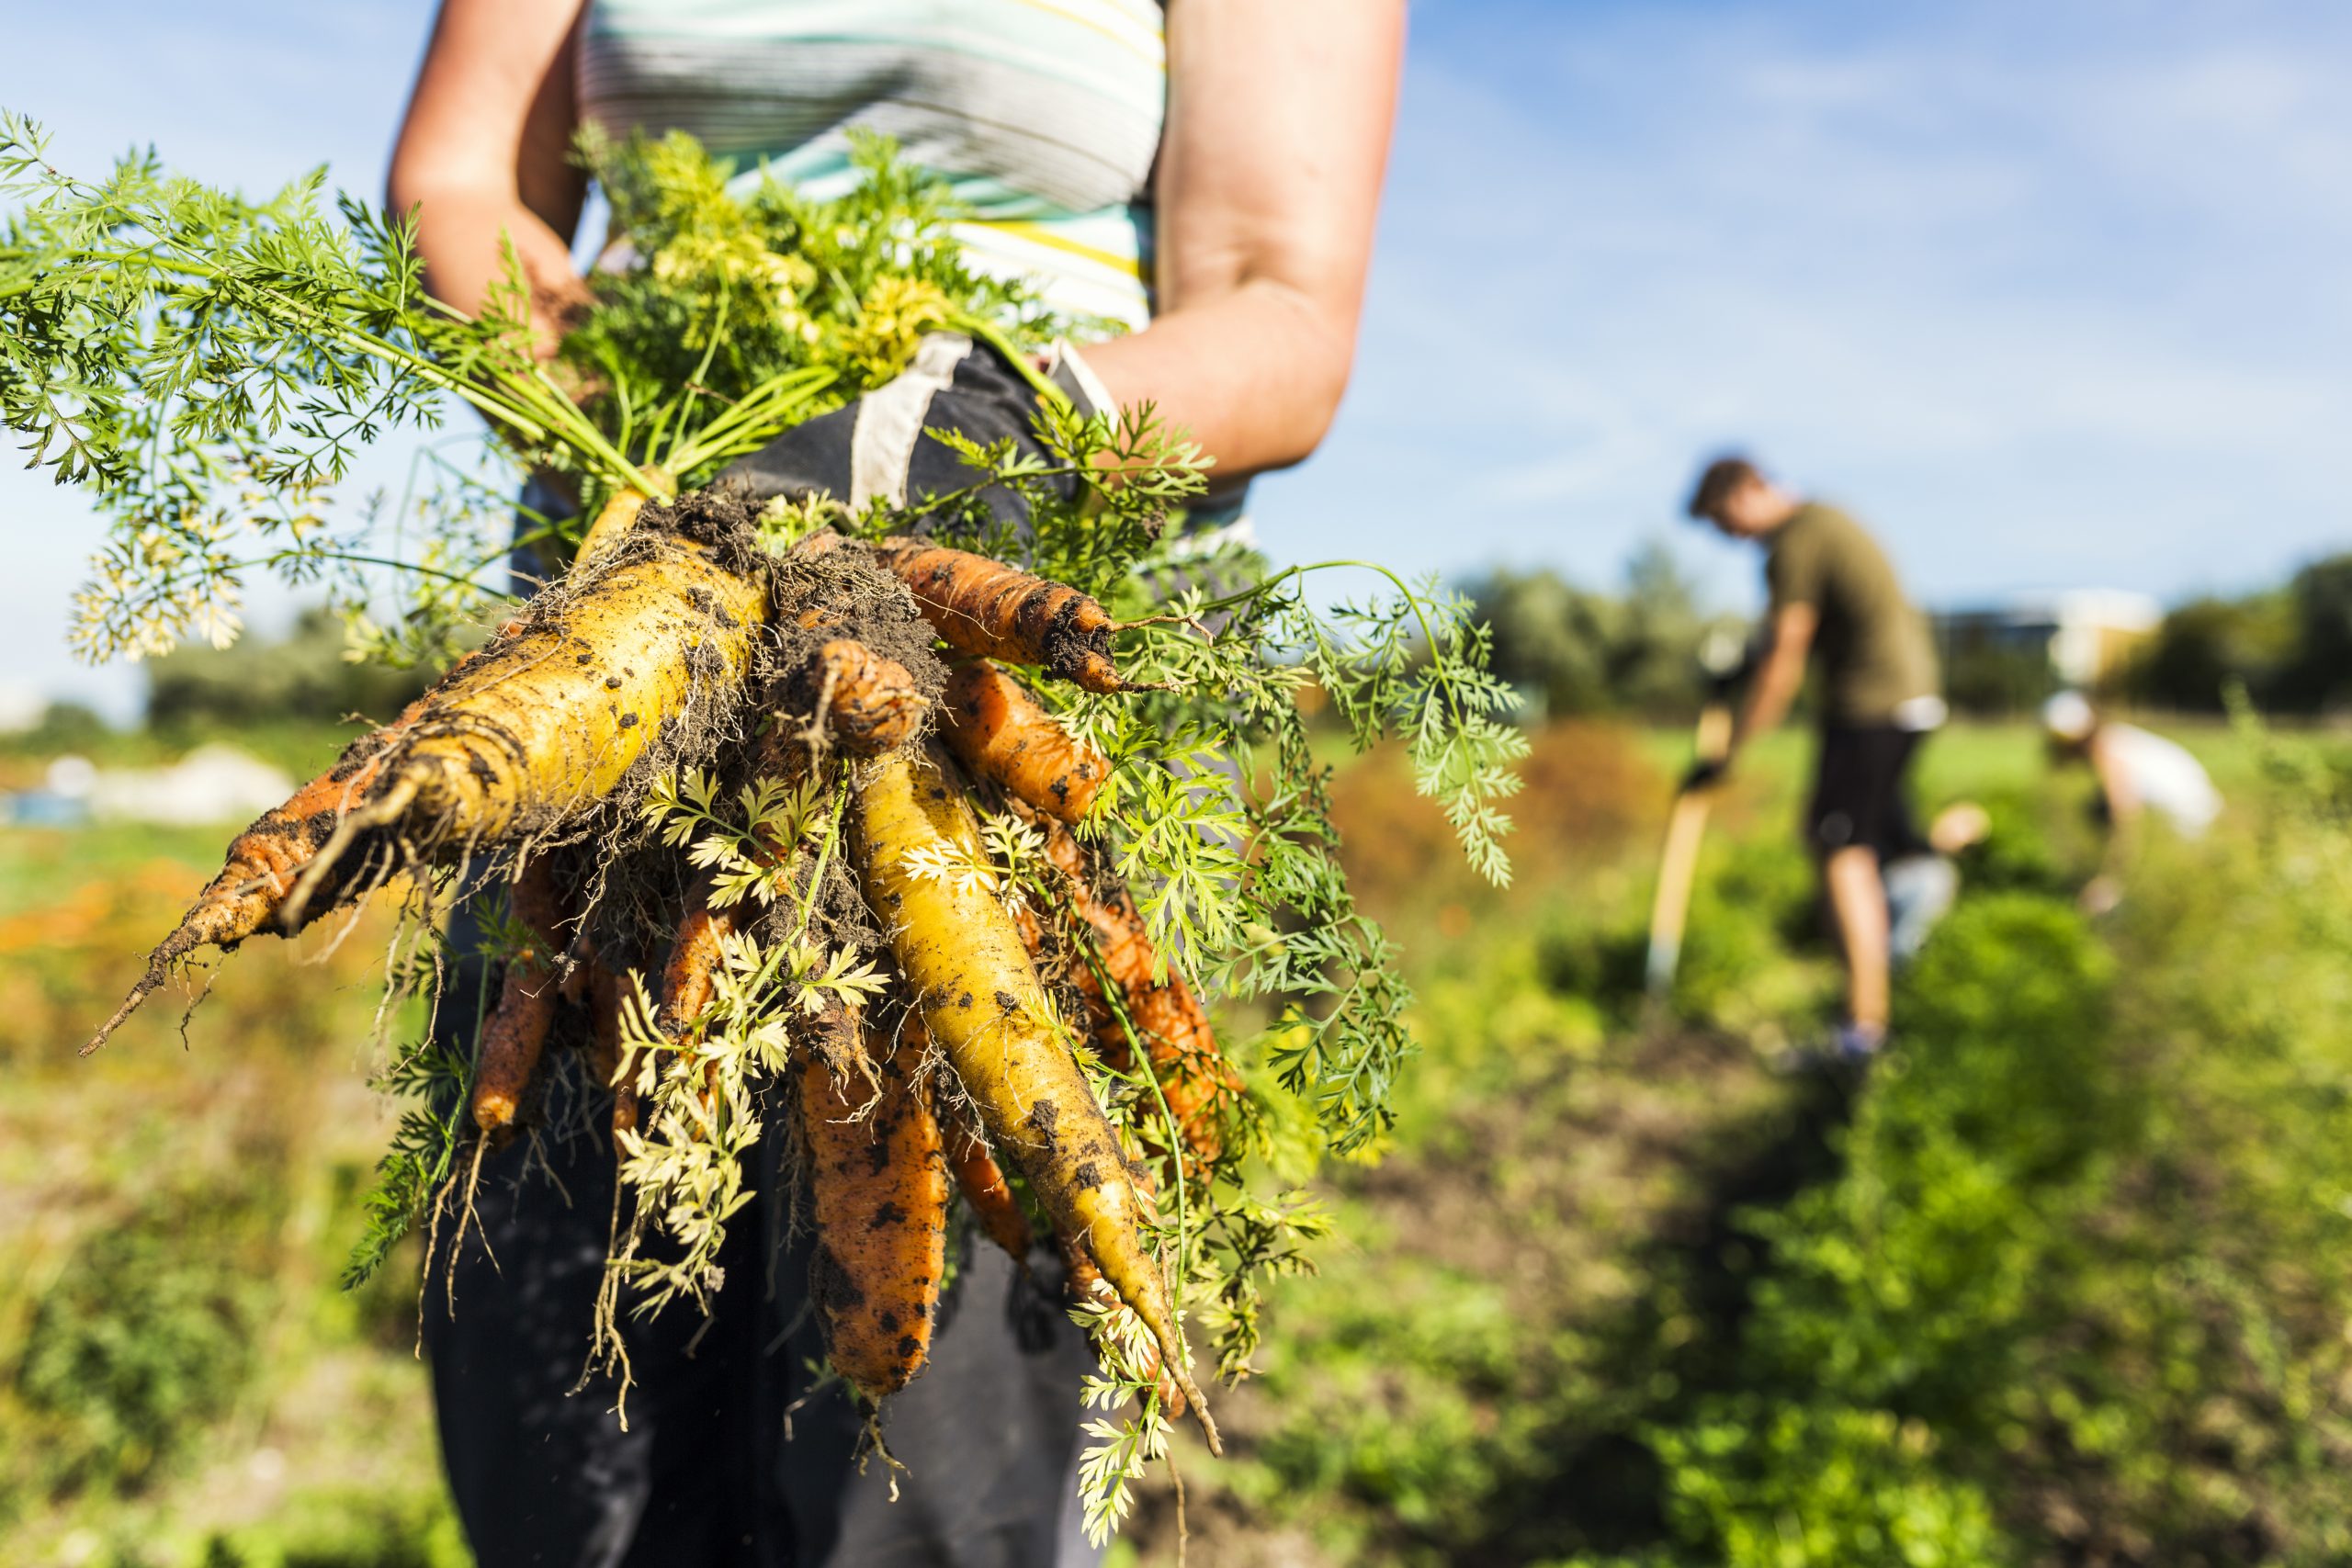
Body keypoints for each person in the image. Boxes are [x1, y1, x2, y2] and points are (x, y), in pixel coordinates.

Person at [384, 3, 1405, 1564]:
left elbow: (1282, 312)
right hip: (632, 634)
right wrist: (612, 403)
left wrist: (1026, 419)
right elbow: (457, 186)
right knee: (567, 1408)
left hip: (998, 649)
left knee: (930, 1439)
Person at [1683, 454, 1945, 1063]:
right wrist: (1741, 666)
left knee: (1840, 850)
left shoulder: (1794, 542)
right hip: (1908, 701)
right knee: (1885, 844)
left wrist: (1728, 754)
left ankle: (1863, 1032)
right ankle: (1902, 982)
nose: (1730, 536)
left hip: (1870, 708)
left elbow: (1786, 655)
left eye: (1725, 521)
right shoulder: (1825, 520)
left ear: (1746, 492)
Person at [2041, 690, 2222, 912]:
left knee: (2101, 812)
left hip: (2186, 819)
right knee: (2097, 807)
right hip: (2192, 809)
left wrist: (2112, 881)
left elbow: (2124, 819)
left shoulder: (2108, 752)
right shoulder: (2114, 738)